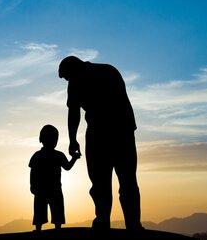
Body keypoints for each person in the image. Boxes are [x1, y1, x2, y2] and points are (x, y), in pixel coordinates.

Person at [58, 56, 143, 231]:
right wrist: (72, 139)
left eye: (66, 77)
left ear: (72, 70)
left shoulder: (103, 73)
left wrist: (73, 140)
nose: (66, 81)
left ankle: (114, 221)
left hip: (113, 133)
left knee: (114, 181)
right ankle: (117, 221)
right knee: (109, 182)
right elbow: (74, 112)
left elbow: (74, 112)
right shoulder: (108, 70)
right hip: (117, 132)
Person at [29, 124, 81, 231]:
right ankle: (49, 228)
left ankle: (46, 228)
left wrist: (74, 158)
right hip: (48, 189)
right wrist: (74, 158)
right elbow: (67, 167)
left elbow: (32, 172)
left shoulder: (39, 155)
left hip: (47, 189)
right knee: (44, 210)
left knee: (48, 210)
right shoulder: (54, 155)